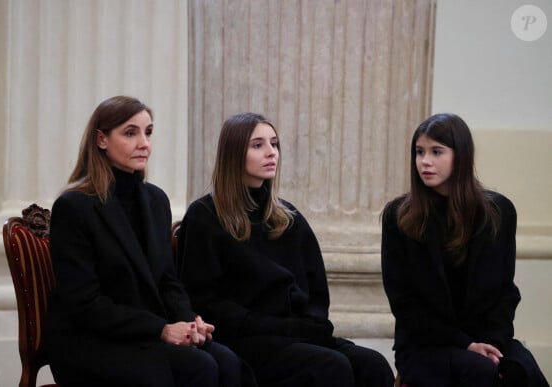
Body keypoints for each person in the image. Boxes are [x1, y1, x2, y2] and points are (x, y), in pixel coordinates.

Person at [46, 96, 254, 386]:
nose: (144, 143)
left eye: (149, 132)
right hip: (90, 341)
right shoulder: (74, 207)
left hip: (145, 334)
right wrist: (161, 329)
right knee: (198, 367)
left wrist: (189, 323)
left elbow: (167, 280)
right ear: (101, 139)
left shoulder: (156, 200)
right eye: (130, 133)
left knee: (229, 363)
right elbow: (84, 304)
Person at [177, 112, 395, 387]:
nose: (272, 153)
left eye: (274, 144)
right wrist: (269, 326)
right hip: (245, 338)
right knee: (330, 366)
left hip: (295, 333)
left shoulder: (287, 216)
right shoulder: (205, 216)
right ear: (233, 153)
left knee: (373, 365)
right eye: (258, 145)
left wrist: (310, 324)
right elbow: (202, 299)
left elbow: (317, 293)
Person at [381, 113, 549, 387]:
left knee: (521, 371)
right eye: (419, 152)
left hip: (487, 337)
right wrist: (466, 344)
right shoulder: (399, 217)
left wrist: (491, 344)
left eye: (437, 152)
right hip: (426, 345)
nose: (425, 161)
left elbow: (505, 293)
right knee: (479, 370)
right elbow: (405, 304)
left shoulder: (498, 212)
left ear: (461, 156)